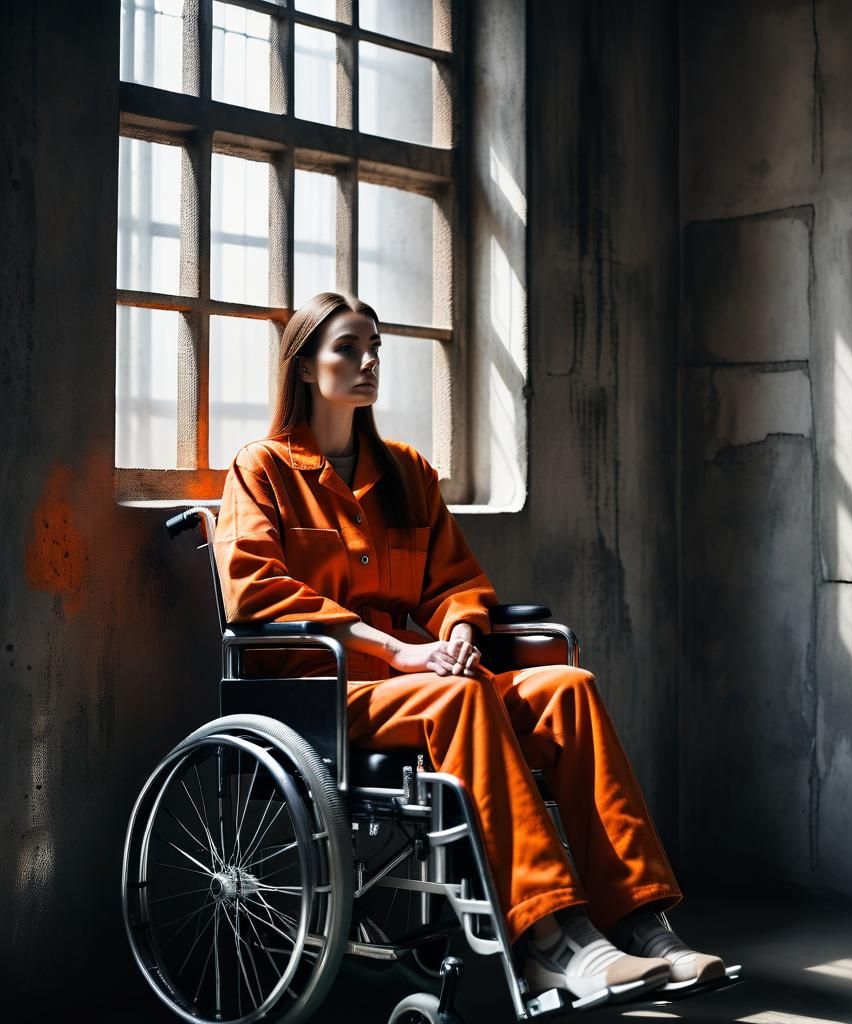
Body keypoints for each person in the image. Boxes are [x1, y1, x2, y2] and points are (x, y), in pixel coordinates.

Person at [215, 292, 725, 1001]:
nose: (368, 363)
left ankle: (643, 925)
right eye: (347, 350)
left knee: (565, 689)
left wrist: (455, 634)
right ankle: (554, 940)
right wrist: (397, 653)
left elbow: (455, 582)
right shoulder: (261, 469)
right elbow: (256, 593)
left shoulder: (406, 475)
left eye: (375, 350)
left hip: (423, 676)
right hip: (329, 689)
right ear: (303, 368)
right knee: (457, 698)